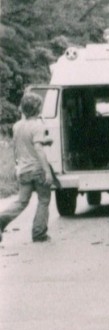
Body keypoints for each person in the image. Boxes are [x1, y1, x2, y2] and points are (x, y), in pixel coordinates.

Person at [0, 93, 55, 244]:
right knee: (44, 200)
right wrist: (47, 172)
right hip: (37, 169)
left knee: (21, 201)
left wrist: (17, 165)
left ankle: (1, 220)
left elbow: (19, 146)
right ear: (37, 108)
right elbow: (38, 149)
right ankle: (39, 233)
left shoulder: (17, 126)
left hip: (23, 169)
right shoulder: (38, 126)